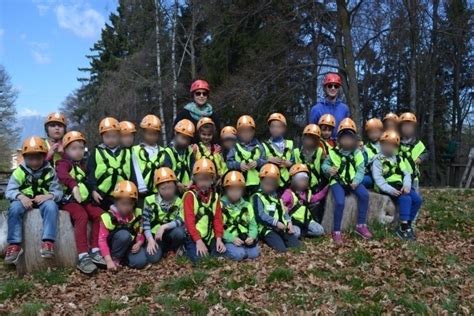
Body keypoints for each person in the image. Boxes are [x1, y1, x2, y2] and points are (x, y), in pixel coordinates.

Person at [4, 136, 63, 264]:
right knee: (14, 209)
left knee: (52, 207)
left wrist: (49, 196)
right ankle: (14, 244)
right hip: (23, 200)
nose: (35, 162)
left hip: (43, 200)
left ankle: (48, 242)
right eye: (30, 158)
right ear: (24, 158)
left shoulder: (50, 171)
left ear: (44, 156)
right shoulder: (19, 172)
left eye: (38, 158)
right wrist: (21, 197)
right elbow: (9, 191)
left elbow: (58, 191)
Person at [56, 131, 105, 274]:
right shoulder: (63, 163)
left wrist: (94, 190)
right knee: (81, 216)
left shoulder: (83, 164)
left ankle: (95, 249)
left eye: (81, 148)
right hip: (69, 201)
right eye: (74, 148)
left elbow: (89, 180)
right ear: (66, 150)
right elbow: (62, 175)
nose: (78, 151)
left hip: (84, 200)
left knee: (100, 215)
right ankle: (83, 255)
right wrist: (73, 185)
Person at [322, 118, 372, 245]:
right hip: (337, 181)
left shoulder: (357, 153)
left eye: (350, 138)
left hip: (352, 182)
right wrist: (328, 169)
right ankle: (336, 231)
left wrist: (356, 181)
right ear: (339, 140)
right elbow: (324, 166)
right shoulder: (333, 153)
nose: (347, 141)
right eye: (344, 138)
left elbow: (361, 170)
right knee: (339, 201)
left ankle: (361, 224)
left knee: (364, 195)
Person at [372, 130, 422, 241]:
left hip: (400, 184)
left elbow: (406, 173)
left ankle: (407, 225)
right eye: (386, 144)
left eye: (392, 145)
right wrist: (389, 190)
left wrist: (407, 185)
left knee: (417, 200)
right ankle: (403, 228)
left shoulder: (398, 158)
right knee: (406, 198)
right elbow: (378, 178)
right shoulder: (378, 160)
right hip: (386, 185)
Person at [99, 181, 156, 269]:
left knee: (141, 262)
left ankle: (125, 260)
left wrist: (139, 243)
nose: (127, 207)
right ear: (116, 202)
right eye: (123, 203)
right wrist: (108, 260)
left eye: (130, 204)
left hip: (130, 246)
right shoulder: (108, 217)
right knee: (124, 235)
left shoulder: (137, 215)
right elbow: (102, 241)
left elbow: (140, 232)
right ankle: (116, 259)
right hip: (114, 247)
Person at [183, 158, 226, 263]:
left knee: (220, 255)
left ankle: (210, 247)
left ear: (212, 180)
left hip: (209, 236)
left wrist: (219, 238)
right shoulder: (190, 195)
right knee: (201, 260)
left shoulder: (214, 196)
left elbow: (217, 219)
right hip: (193, 236)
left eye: (207, 179)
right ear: (195, 179)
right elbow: (189, 222)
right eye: (200, 179)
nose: (203, 183)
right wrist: (198, 241)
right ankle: (185, 249)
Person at [87, 117, 133, 211]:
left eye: (114, 136)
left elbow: (132, 174)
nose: (111, 139)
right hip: (102, 194)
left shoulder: (127, 153)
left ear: (119, 136)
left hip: (123, 193)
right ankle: (111, 208)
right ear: (102, 137)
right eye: (107, 137)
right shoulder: (96, 152)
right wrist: (93, 190)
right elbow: (91, 173)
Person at [252, 163, 300, 252]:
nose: (269, 187)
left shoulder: (277, 197)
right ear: (261, 181)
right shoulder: (257, 197)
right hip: (266, 229)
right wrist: (276, 223)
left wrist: (289, 222)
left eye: (272, 185)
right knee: (281, 248)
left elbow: (284, 211)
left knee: (296, 245)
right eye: (267, 184)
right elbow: (260, 216)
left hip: (281, 227)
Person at [142, 167, 186, 261]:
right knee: (153, 258)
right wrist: (150, 240)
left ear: (175, 186)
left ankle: (172, 248)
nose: (167, 192)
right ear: (157, 188)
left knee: (180, 233)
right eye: (163, 189)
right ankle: (161, 249)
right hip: (155, 235)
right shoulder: (149, 200)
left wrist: (164, 226)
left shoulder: (179, 201)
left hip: (171, 233)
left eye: (170, 188)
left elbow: (181, 220)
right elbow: (146, 223)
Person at [221, 171, 260, 261]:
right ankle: (227, 251)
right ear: (226, 190)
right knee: (239, 255)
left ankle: (243, 251)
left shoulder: (247, 205)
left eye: (238, 189)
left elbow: (253, 224)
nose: (234, 192)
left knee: (254, 254)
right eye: (231, 189)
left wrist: (252, 236)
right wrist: (231, 238)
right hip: (230, 239)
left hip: (245, 237)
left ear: (242, 190)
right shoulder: (220, 204)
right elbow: (218, 228)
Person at [281, 164, 326, 238]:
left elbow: (316, 198)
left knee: (320, 231)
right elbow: (281, 205)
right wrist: (285, 209)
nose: (303, 182)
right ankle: (299, 232)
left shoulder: (307, 193)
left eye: (305, 180)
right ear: (293, 180)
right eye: (300, 180)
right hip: (294, 221)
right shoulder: (288, 193)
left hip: (306, 220)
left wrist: (326, 188)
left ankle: (304, 232)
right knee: (296, 233)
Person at [226, 115, 266, 196]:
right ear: (238, 133)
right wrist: (238, 165)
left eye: (249, 131)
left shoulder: (259, 146)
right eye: (243, 131)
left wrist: (257, 163)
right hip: (239, 182)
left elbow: (265, 161)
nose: (246, 134)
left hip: (256, 182)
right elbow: (229, 162)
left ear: (253, 132)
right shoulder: (234, 147)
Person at [132, 115, 165, 196]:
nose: (152, 137)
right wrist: (141, 186)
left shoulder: (163, 151)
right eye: (149, 134)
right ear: (143, 133)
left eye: (155, 134)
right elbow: (136, 169)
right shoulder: (135, 150)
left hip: (159, 191)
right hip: (142, 191)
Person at [309, 73, 350, 138]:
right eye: (330, 86)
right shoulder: (316, 109)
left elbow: (347, 131)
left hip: (339, 146)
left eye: (336, 86)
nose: (333, 88)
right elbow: (311, 133)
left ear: (339, 88)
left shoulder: (344, 109)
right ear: (325, 88)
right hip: (321, 146)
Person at [262, 113, 294, 189]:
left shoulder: (290, 144)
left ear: (284, 129)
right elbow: (258, 162)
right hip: (271, 183)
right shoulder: (264, 145)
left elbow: (296, 162)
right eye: (273, 126)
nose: (275, 129)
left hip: (288, 183)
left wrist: (290, 164)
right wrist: (268, 160)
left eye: (278, 127)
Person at [163, 119, 195, 194]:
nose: (185, 142)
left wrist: (191, 181)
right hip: (173, 190)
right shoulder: (168, 152)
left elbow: (193, 168)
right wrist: (177, 183)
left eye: (188, 139)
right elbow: (167, 171)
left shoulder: (189, 151)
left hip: (188, 188)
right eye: (183, 138)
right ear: (175, 133)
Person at [398, 112, 427, 192]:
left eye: (410, 126)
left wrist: (420, 158)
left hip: (413, 176)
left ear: (414, 128)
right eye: (405, 125)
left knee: (414, 195)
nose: (407, 128)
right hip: (399, 175)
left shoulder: (418, 143)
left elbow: (425, 153)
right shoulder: (396, 142)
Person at [361, 118, 384, 189]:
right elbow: (364, 162)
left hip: (385, 173)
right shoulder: (365, 147)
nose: (374, 135)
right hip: (371, 174)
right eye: (371, 132)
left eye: (376, 132)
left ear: (381, 132)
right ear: (368, 134)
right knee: (361, 181)